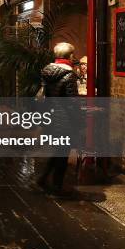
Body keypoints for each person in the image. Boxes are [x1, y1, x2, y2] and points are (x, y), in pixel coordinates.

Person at [36, 42, 79, 196]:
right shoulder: (69, 75)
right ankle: (57, 186)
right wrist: (79, 119)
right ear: (69, 56)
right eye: (73, 54)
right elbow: (72, 102)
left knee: (58, 150)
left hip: (51, 116)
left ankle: (42, 178)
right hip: (65, 119)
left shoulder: (47, 72)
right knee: (62, 153)